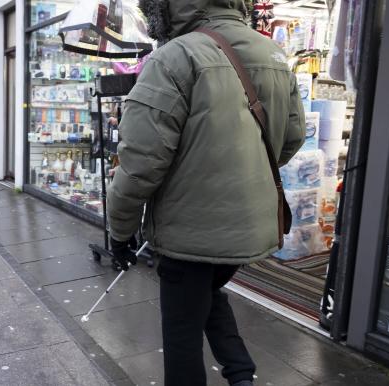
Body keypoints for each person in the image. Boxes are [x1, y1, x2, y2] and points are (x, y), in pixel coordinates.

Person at [106, 1, 305, 386]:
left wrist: (119, 232)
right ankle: (241, 374)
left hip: (189, 229)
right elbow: (292, 138)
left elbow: (139, 165)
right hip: (250, 225)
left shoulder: (173, 57)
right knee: (208, 293)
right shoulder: (272, 53)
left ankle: (240, 373)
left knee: (182, 335)